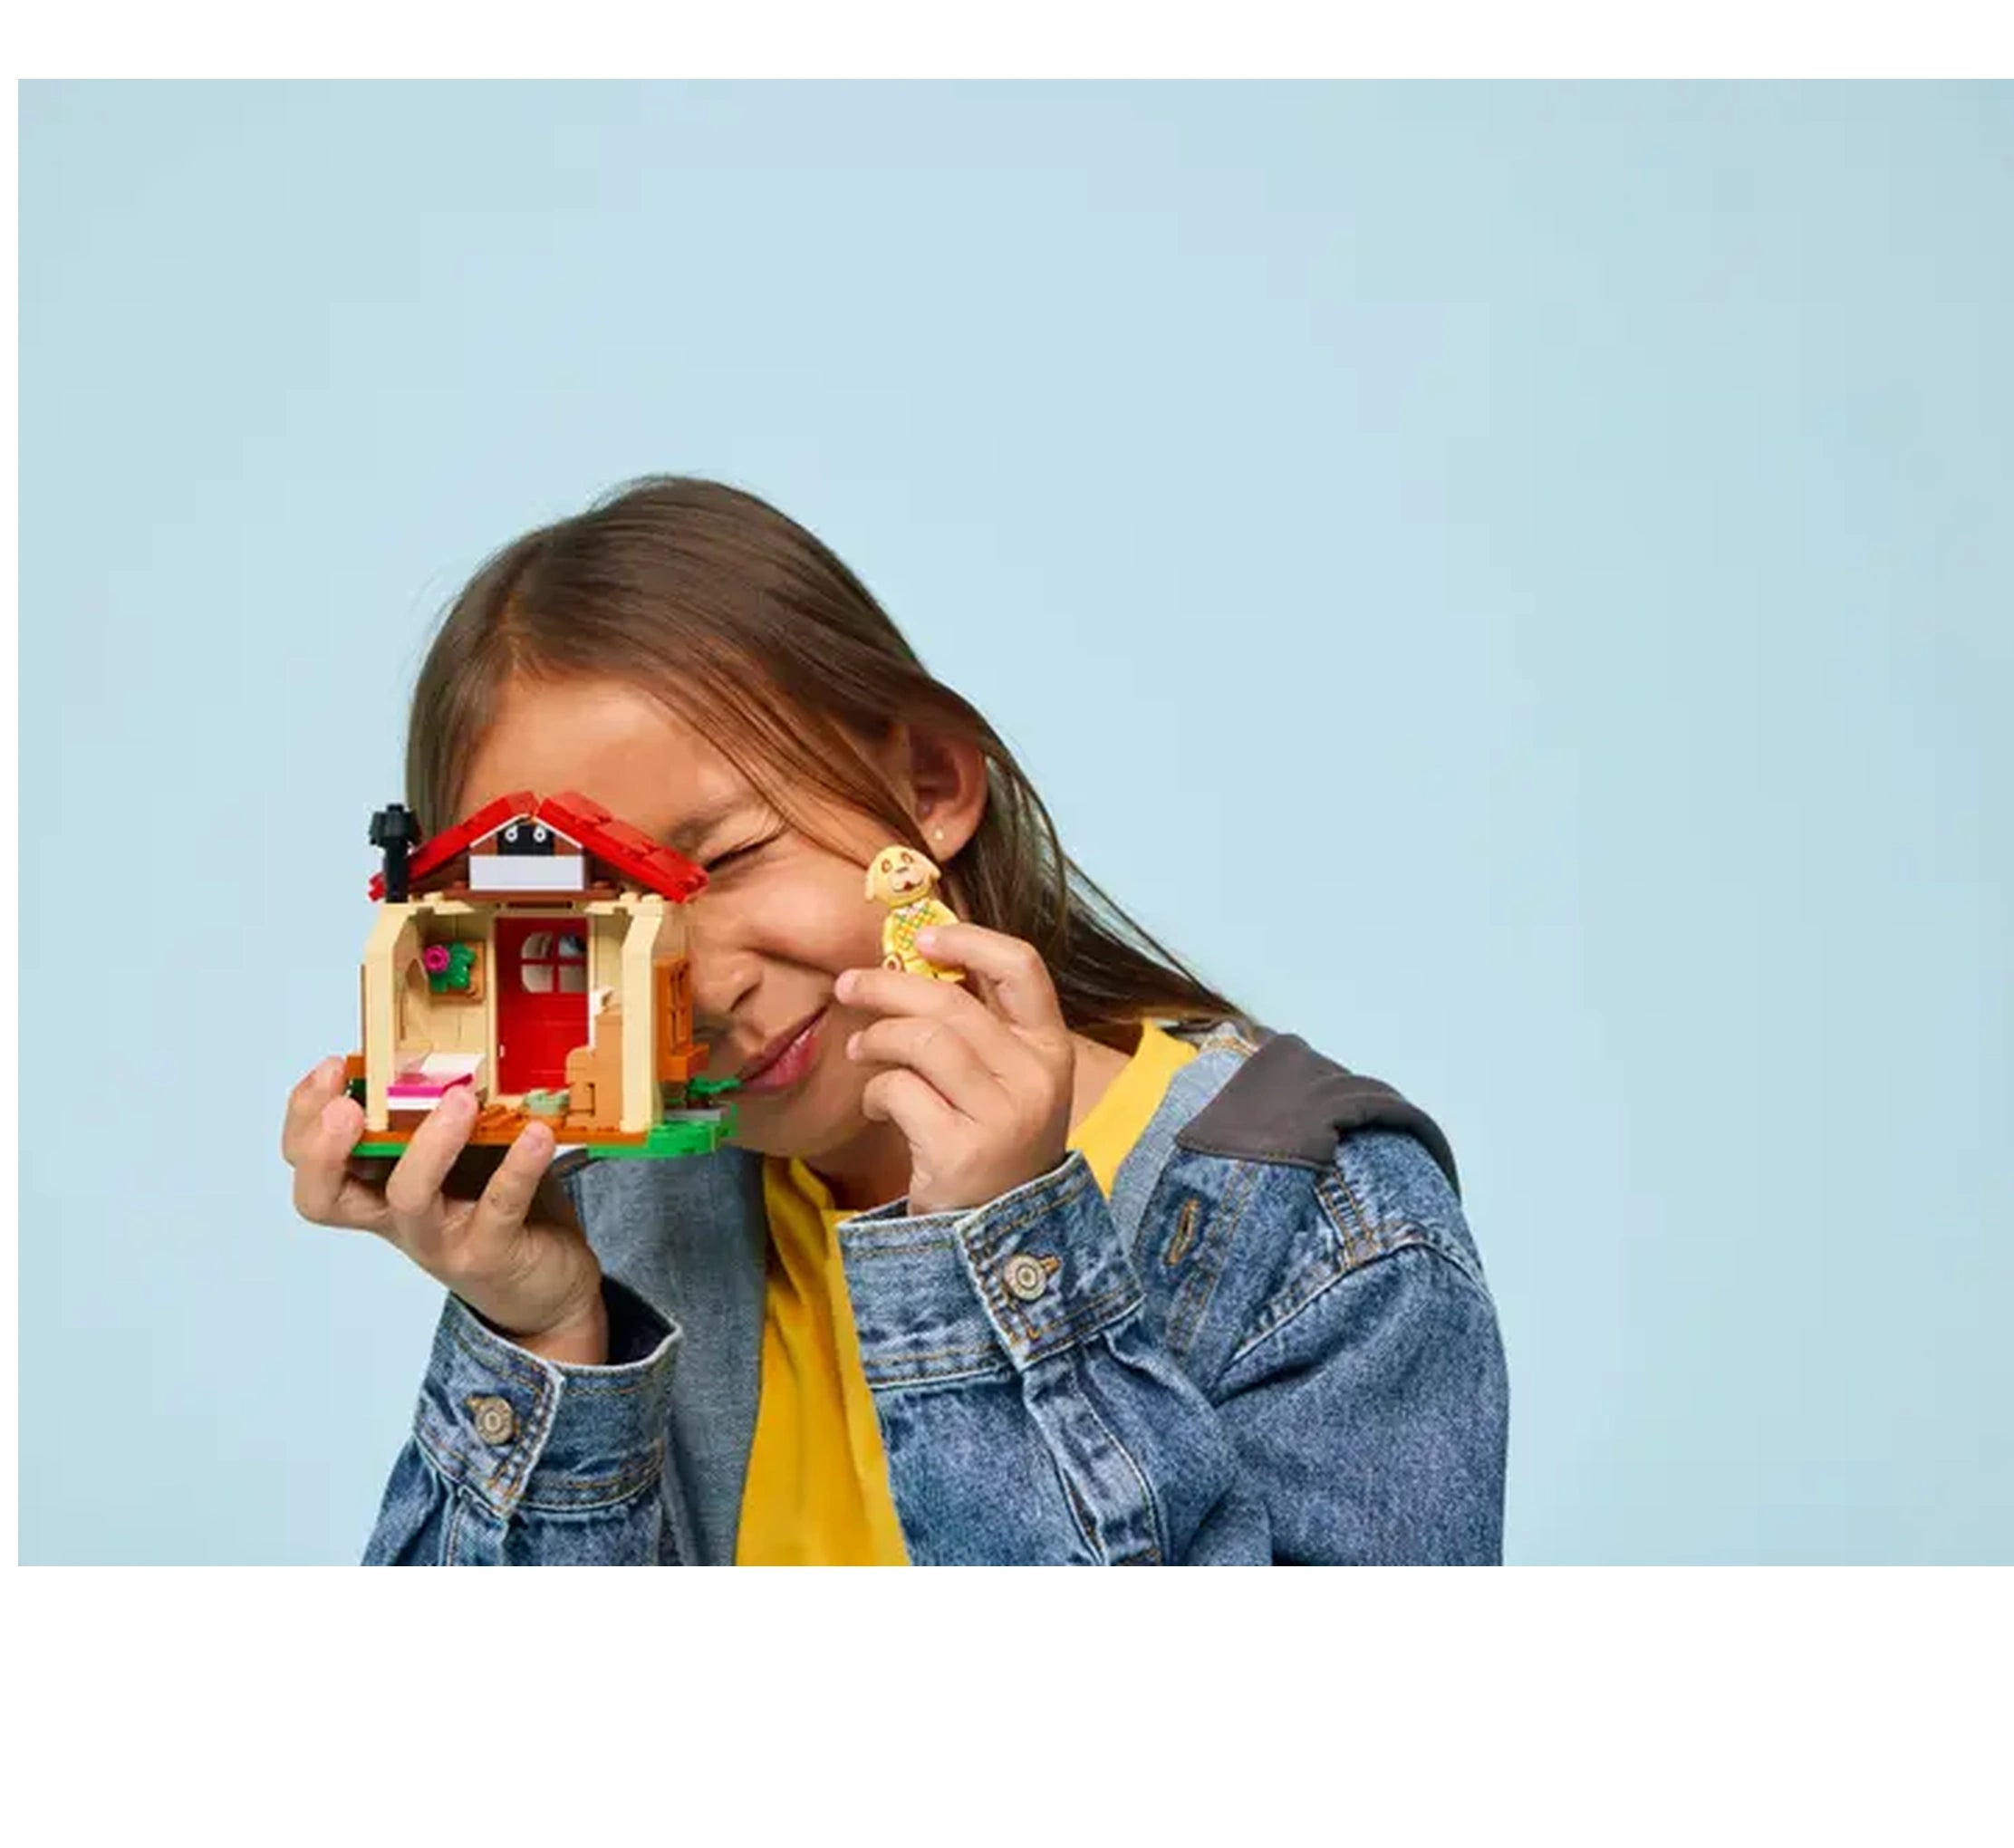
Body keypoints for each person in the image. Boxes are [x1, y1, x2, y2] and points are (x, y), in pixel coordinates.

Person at [284, 475, 1509, 1563]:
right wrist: (546, 1334)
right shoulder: (616, 1212)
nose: (699, 988)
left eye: (733, 856)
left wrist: (997, 1255)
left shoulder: (1329, 1242)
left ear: (930, 790)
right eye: (598, 925)